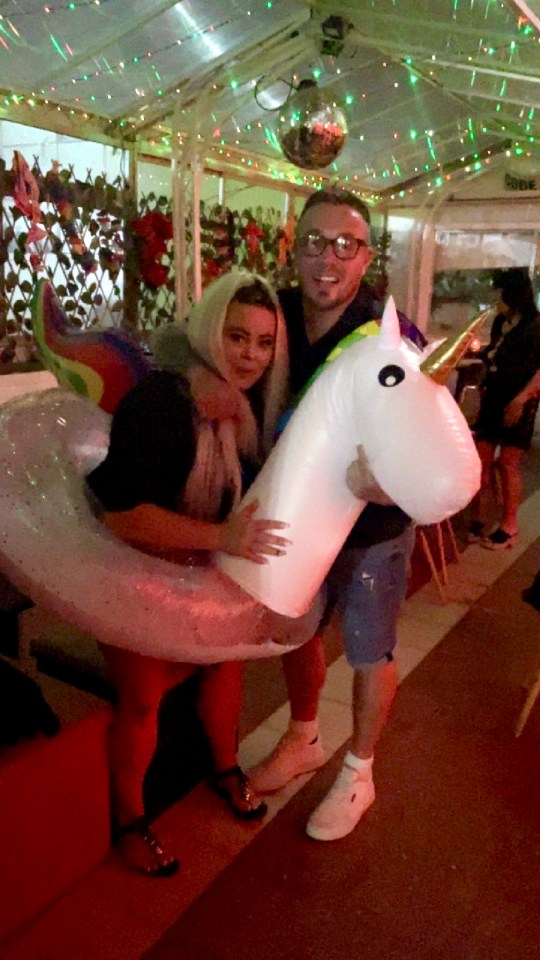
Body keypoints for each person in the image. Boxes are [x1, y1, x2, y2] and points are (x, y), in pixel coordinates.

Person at [87, 271, 290, 877]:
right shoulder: (163, 402)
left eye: (262, 342)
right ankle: (129, 819)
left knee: (227, 668)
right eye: (236, 337)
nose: (250, 355)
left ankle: (223, 767)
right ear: (208, 332)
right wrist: (222, 538)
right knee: (143, 701)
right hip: (130, 568)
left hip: (194, 567)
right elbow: (123, 519)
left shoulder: (244, 406)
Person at [250, 188, 425, 842]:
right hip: (299, 517)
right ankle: (302, 736)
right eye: (315, 242)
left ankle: (359, 771)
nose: (328, 258)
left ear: (365, 257)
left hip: (374, 529)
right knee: (292, 628)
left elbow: (433, 432)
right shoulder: (275, 310)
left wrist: (394, 473)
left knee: (366, 647)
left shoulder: (393, 334)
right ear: (295, 249)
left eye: (344, 245)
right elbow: (209, 341)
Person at [467, 268, 540, 550]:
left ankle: (510, 525)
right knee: (481, 460)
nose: (495, 299)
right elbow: (495, 351)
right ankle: (479, 519)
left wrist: (522, 399)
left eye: (498, 293)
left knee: (507, 463)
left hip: (519, 401)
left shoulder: (535, 326)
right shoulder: (501, 321)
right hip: (493, 397)